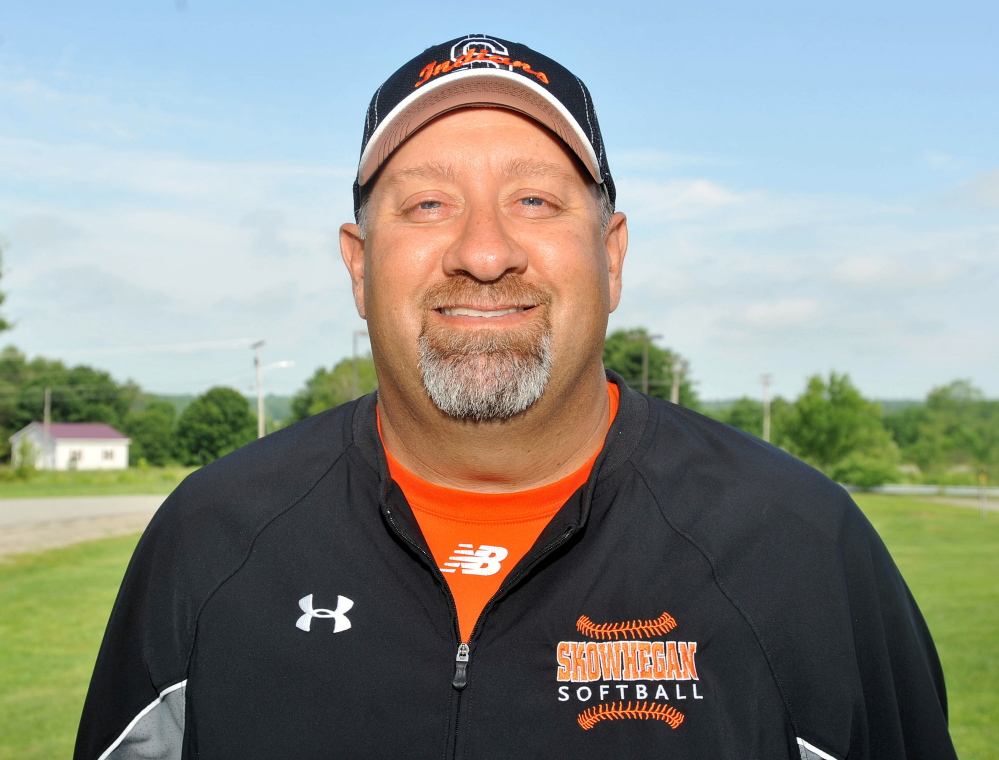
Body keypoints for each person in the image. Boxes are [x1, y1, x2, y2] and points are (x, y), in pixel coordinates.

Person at [75, 34, 957, 760]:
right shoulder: (213, 539)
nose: (484, 252)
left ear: (610, 257)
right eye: (426, 205)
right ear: (357, 262)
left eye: (534, 199)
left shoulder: (800, 549)